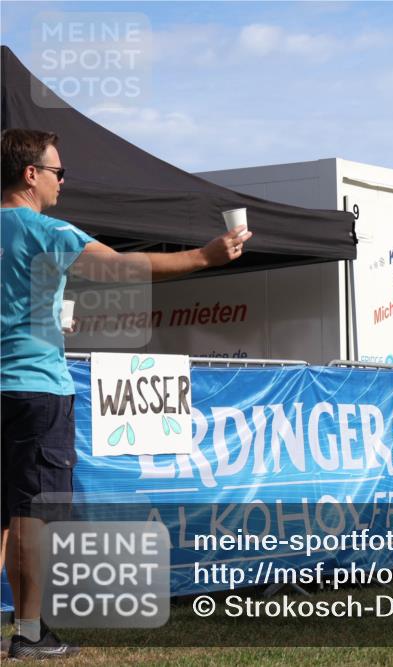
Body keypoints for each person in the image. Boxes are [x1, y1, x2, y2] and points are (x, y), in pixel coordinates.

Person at [1, 128, 250, 659]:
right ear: (30, 176)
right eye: (57, 172)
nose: (62, 182)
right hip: (35, 392)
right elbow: (117, 267)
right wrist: (204, 257)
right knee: (30, 518)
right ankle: (27, 634)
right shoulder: (47, 231)